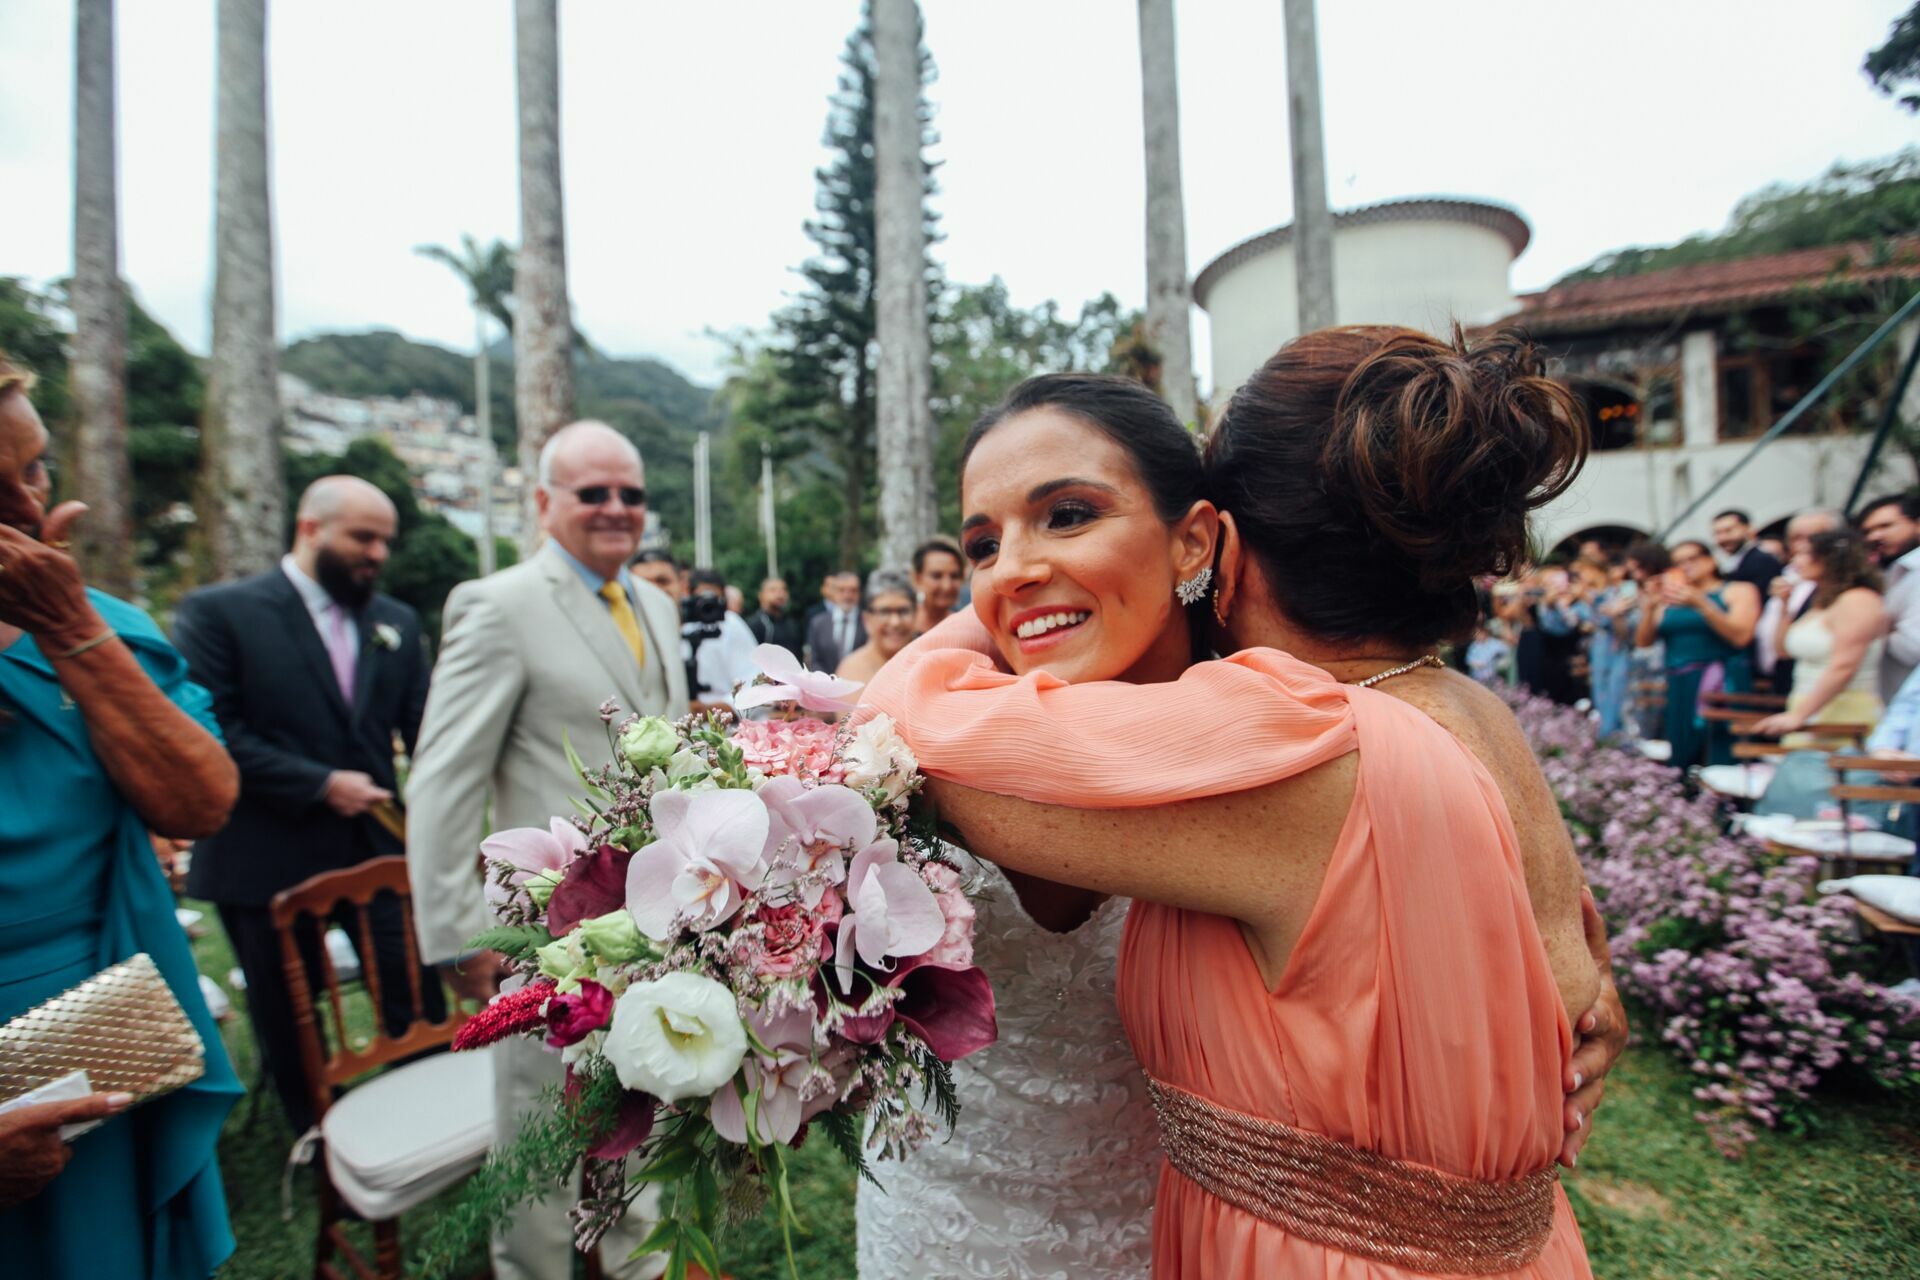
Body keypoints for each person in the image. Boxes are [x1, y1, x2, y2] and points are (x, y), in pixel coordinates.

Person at [859, 348, 1623, 1278]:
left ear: (1210, 542)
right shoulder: (1464, 710)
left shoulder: (1276, 738)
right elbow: (1549, 941)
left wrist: (1006, 591)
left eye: (1070, 514)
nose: (1013, 563)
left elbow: (908, 722)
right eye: (982, 541)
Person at [405, 421, 686, 1280]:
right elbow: (442, 783)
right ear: (542, 503)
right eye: (592, 492)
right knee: (537, 1139)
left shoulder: (659, 606)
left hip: (658, 923)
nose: (615, 509)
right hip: (541, 934)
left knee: (646, 1110)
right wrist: (463, 936)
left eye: (630, 494)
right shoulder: (497, 606)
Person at [0, 356, 243, 1276]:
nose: (27, 513)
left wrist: (70, 634)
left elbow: (201, 800)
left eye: (32, 469)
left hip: (106, 1027)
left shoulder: (103, 628)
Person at [172, 476, 443, 1132]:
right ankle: (318, 1135)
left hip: (375, 849)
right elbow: (212, 730)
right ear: (310, 527)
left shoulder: (396, 623)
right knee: (287, 1012)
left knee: (414, 987)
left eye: (385, 541)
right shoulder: (219, 613)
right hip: (263, 849)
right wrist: (320, 783)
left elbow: (427, 729)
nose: (377, 553)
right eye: (363, 536)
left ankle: (429, 1112)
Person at [1751, 529, 1885, 744]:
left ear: (1830, 559)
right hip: (1805, 703)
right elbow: (1783, 651)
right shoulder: (1822, 600)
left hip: (1843, 710)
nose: (1796, 561)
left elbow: (1844, 666)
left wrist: (1799, 716)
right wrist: (1784, 605)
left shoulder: (1858, 600)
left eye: (1804, 554)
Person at [1635, 539, 1760, 768]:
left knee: (1719, 747)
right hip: (1679, 681)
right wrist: (1650, 606)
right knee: (1682, 746)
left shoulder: (1738, 590)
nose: (1685, 566)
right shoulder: (1670, 601)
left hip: (1721, 682)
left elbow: (1740, 637)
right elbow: (1643, 643)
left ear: (1711, 560)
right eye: (1678, 562)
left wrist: (1702, 604)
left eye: (1692, 559)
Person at [1755, 509, 1841, 696]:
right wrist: (1784, 603)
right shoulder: (1787, 575)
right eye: (1796, 538)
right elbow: (1781, 649)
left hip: (1822, 689)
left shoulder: (1843, 590)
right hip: (1783, 680)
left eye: (1814, 537)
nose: (1803, 545)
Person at [1859, 493, 1920, 701]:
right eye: (1868, 531)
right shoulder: (1891, 571)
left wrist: (1876, 626)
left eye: (1885, 526)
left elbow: (1913, 648)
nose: (1874, 537)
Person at [681, 567, 760, 708]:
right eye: (701, 599)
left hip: (722, 720)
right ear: (689, 595)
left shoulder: (732, 624)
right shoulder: (679, 622)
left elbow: (751, 679)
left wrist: (714, 709)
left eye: (712, 599)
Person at [833, 569, 917, 685]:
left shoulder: (931, 663)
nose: (895, 622)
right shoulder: (851, 672)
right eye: (885, 612)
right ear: (867, 620)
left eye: (903, 611)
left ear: (916, 614)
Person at [1712, 508, 1783, 597]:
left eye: (1728, 531)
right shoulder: (1736, 563)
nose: (1723, 538)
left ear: (1748, 528)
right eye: (1717, 533)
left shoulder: (1761, 561)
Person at [805, 569, 865, 673]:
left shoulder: (868, 622)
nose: (847, 595)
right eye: (842, 590)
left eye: (853, 590)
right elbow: (815, 660)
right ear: (834, 592)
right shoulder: (818, 623)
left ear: (859, 593)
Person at [910, 537, 965, 635]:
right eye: (936, 576)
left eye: (954, 576)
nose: (947, 586)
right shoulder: (902, 627)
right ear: (917, 579)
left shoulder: (966, 629)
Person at [745, 575, 805, 655]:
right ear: (761, 595)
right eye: (773, 590)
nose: (780, 594)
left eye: (783, 590)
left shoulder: (793, 624)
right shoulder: (753, 625)